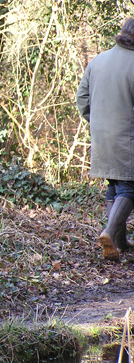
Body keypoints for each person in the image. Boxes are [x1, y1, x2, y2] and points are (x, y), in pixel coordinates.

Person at [76, 17, 134, 262]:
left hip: (101, 138)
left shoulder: (97, 60)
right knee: (129, 188)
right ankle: (110, 232)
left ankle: (117, 244)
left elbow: (82, 98)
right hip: (127, 138)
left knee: (114, 186)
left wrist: (98, 123)